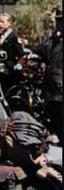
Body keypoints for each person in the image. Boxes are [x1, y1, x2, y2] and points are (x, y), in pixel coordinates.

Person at [42, 11, 62, 139]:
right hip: (50, 80)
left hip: (60, 79)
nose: (59, 23)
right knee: (53, 109)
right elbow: (44, 52)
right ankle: (56, 133)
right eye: (58, 20)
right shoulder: (51, 38)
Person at [0, 12, 26, 89]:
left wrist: (19, 64)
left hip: (11, 69)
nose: (0, 24)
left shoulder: (14, 37)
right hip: (1, 68)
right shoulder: (0, 36)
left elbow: (21, 54)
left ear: (9, 23)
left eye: (2, 22)